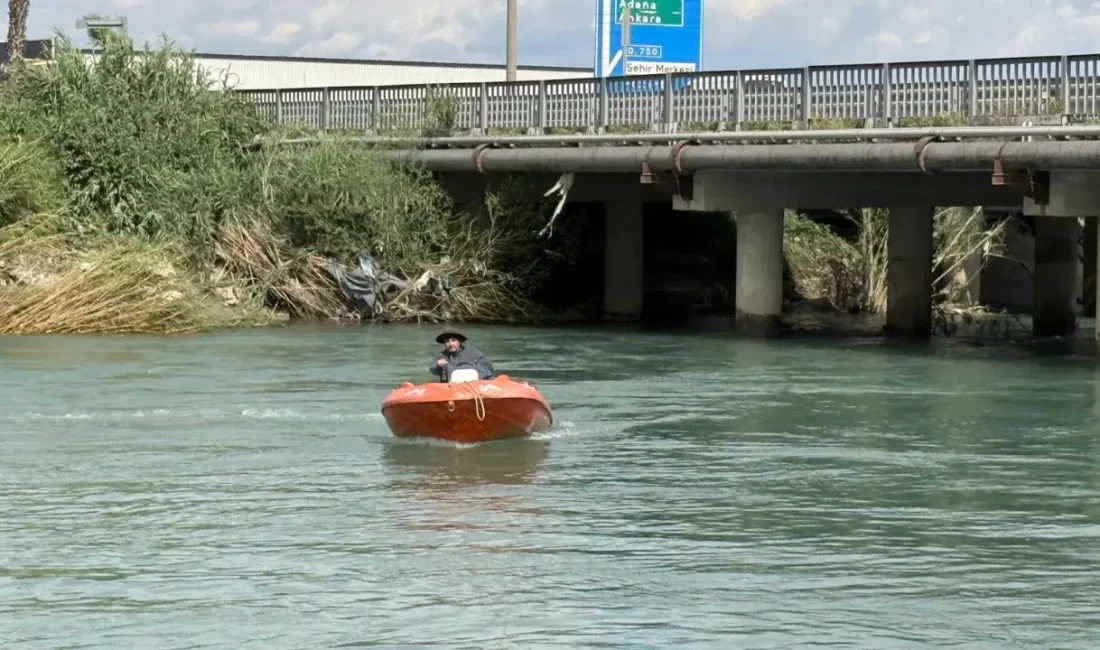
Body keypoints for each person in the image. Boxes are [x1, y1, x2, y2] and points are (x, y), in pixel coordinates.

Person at [428, 329, 494, 382]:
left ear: (459, 341)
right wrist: (437, 365)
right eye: (447, 341)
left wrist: (477, 373)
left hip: (475, 385)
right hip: (451, 387)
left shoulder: (473, 352)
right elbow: (433, 369)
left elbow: (489, 368)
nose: (450, 344)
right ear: (444, 343)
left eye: (453, 340)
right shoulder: (442, 355)